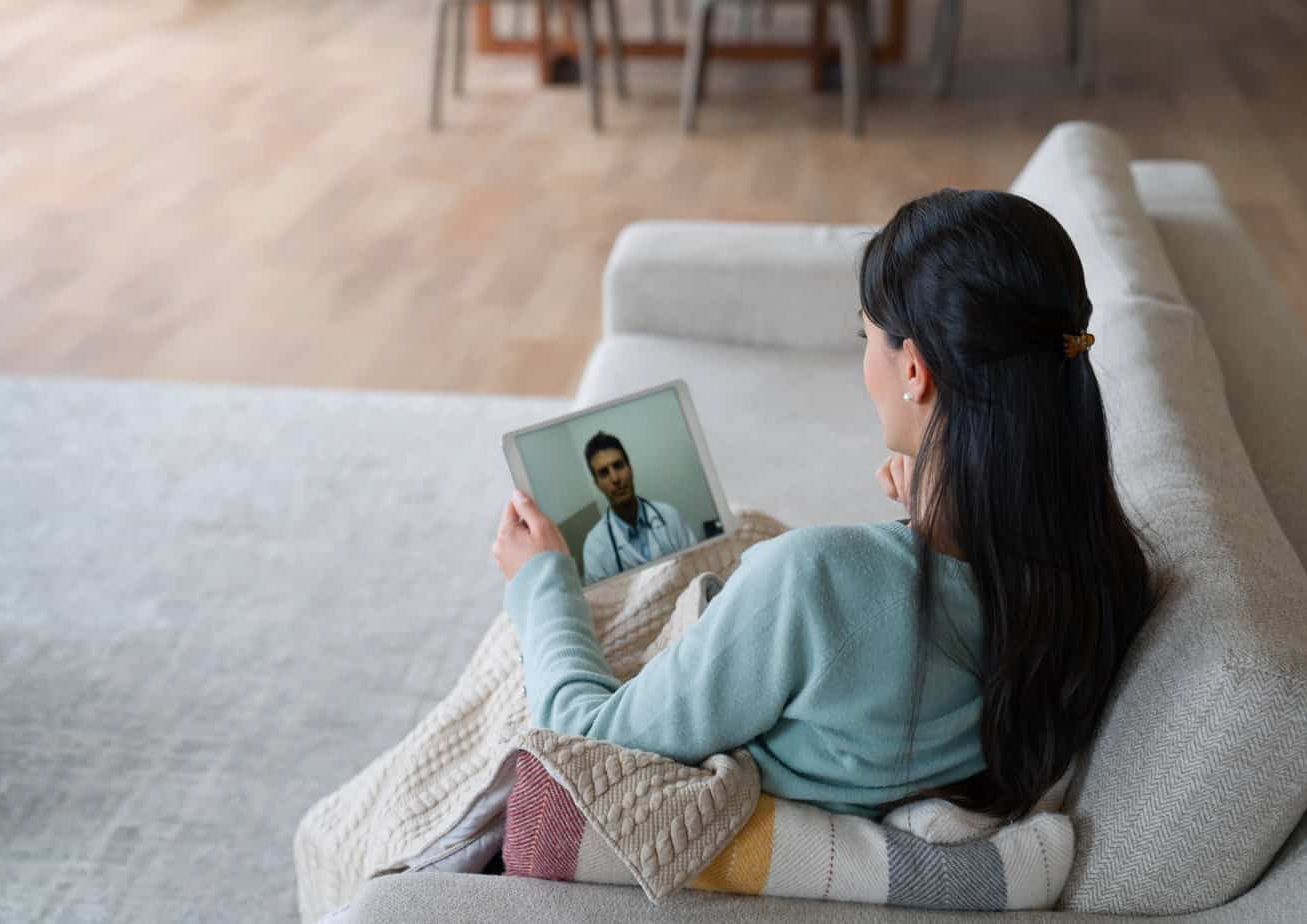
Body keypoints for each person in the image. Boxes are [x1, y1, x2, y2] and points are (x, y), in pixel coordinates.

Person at [492, 189, 1161, 820]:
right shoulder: (1103, 571)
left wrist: (539, 583)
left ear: (912, 371)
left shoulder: (814, 581)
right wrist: (941, 506)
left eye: (865, 337)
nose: (864, 360)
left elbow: (586, 741)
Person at [579, 432, 700, 585]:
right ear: (597, 484)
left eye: (618, 466)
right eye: (604, 473)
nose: (615, 478)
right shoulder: (594, 548)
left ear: (630, 468)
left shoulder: (669, 516)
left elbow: (698, 565)